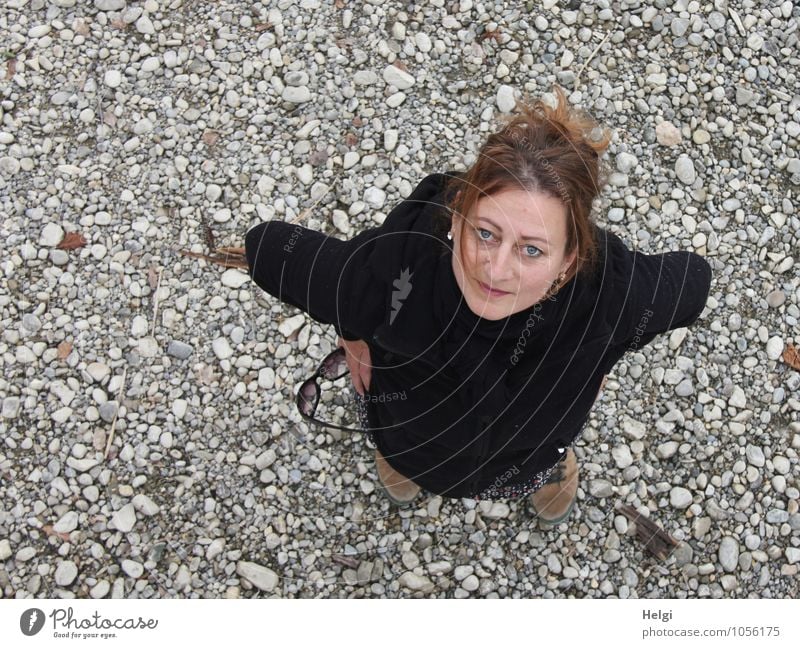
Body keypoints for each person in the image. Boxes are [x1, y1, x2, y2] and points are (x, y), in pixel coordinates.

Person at [245, 85, 712, 525]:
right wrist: (353, 335)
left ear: (568, 262)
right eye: (485, 233)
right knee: (403, 450)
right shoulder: (397, 265)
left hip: (529, 453)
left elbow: (693, 281)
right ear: (459, 216)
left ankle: (548, 470)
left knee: (540, 460)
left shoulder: (610, 293)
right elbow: (267, 247)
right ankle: (398, 460)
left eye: (532, 249)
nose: (496, 269)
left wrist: (610, 349)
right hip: (410, 436)